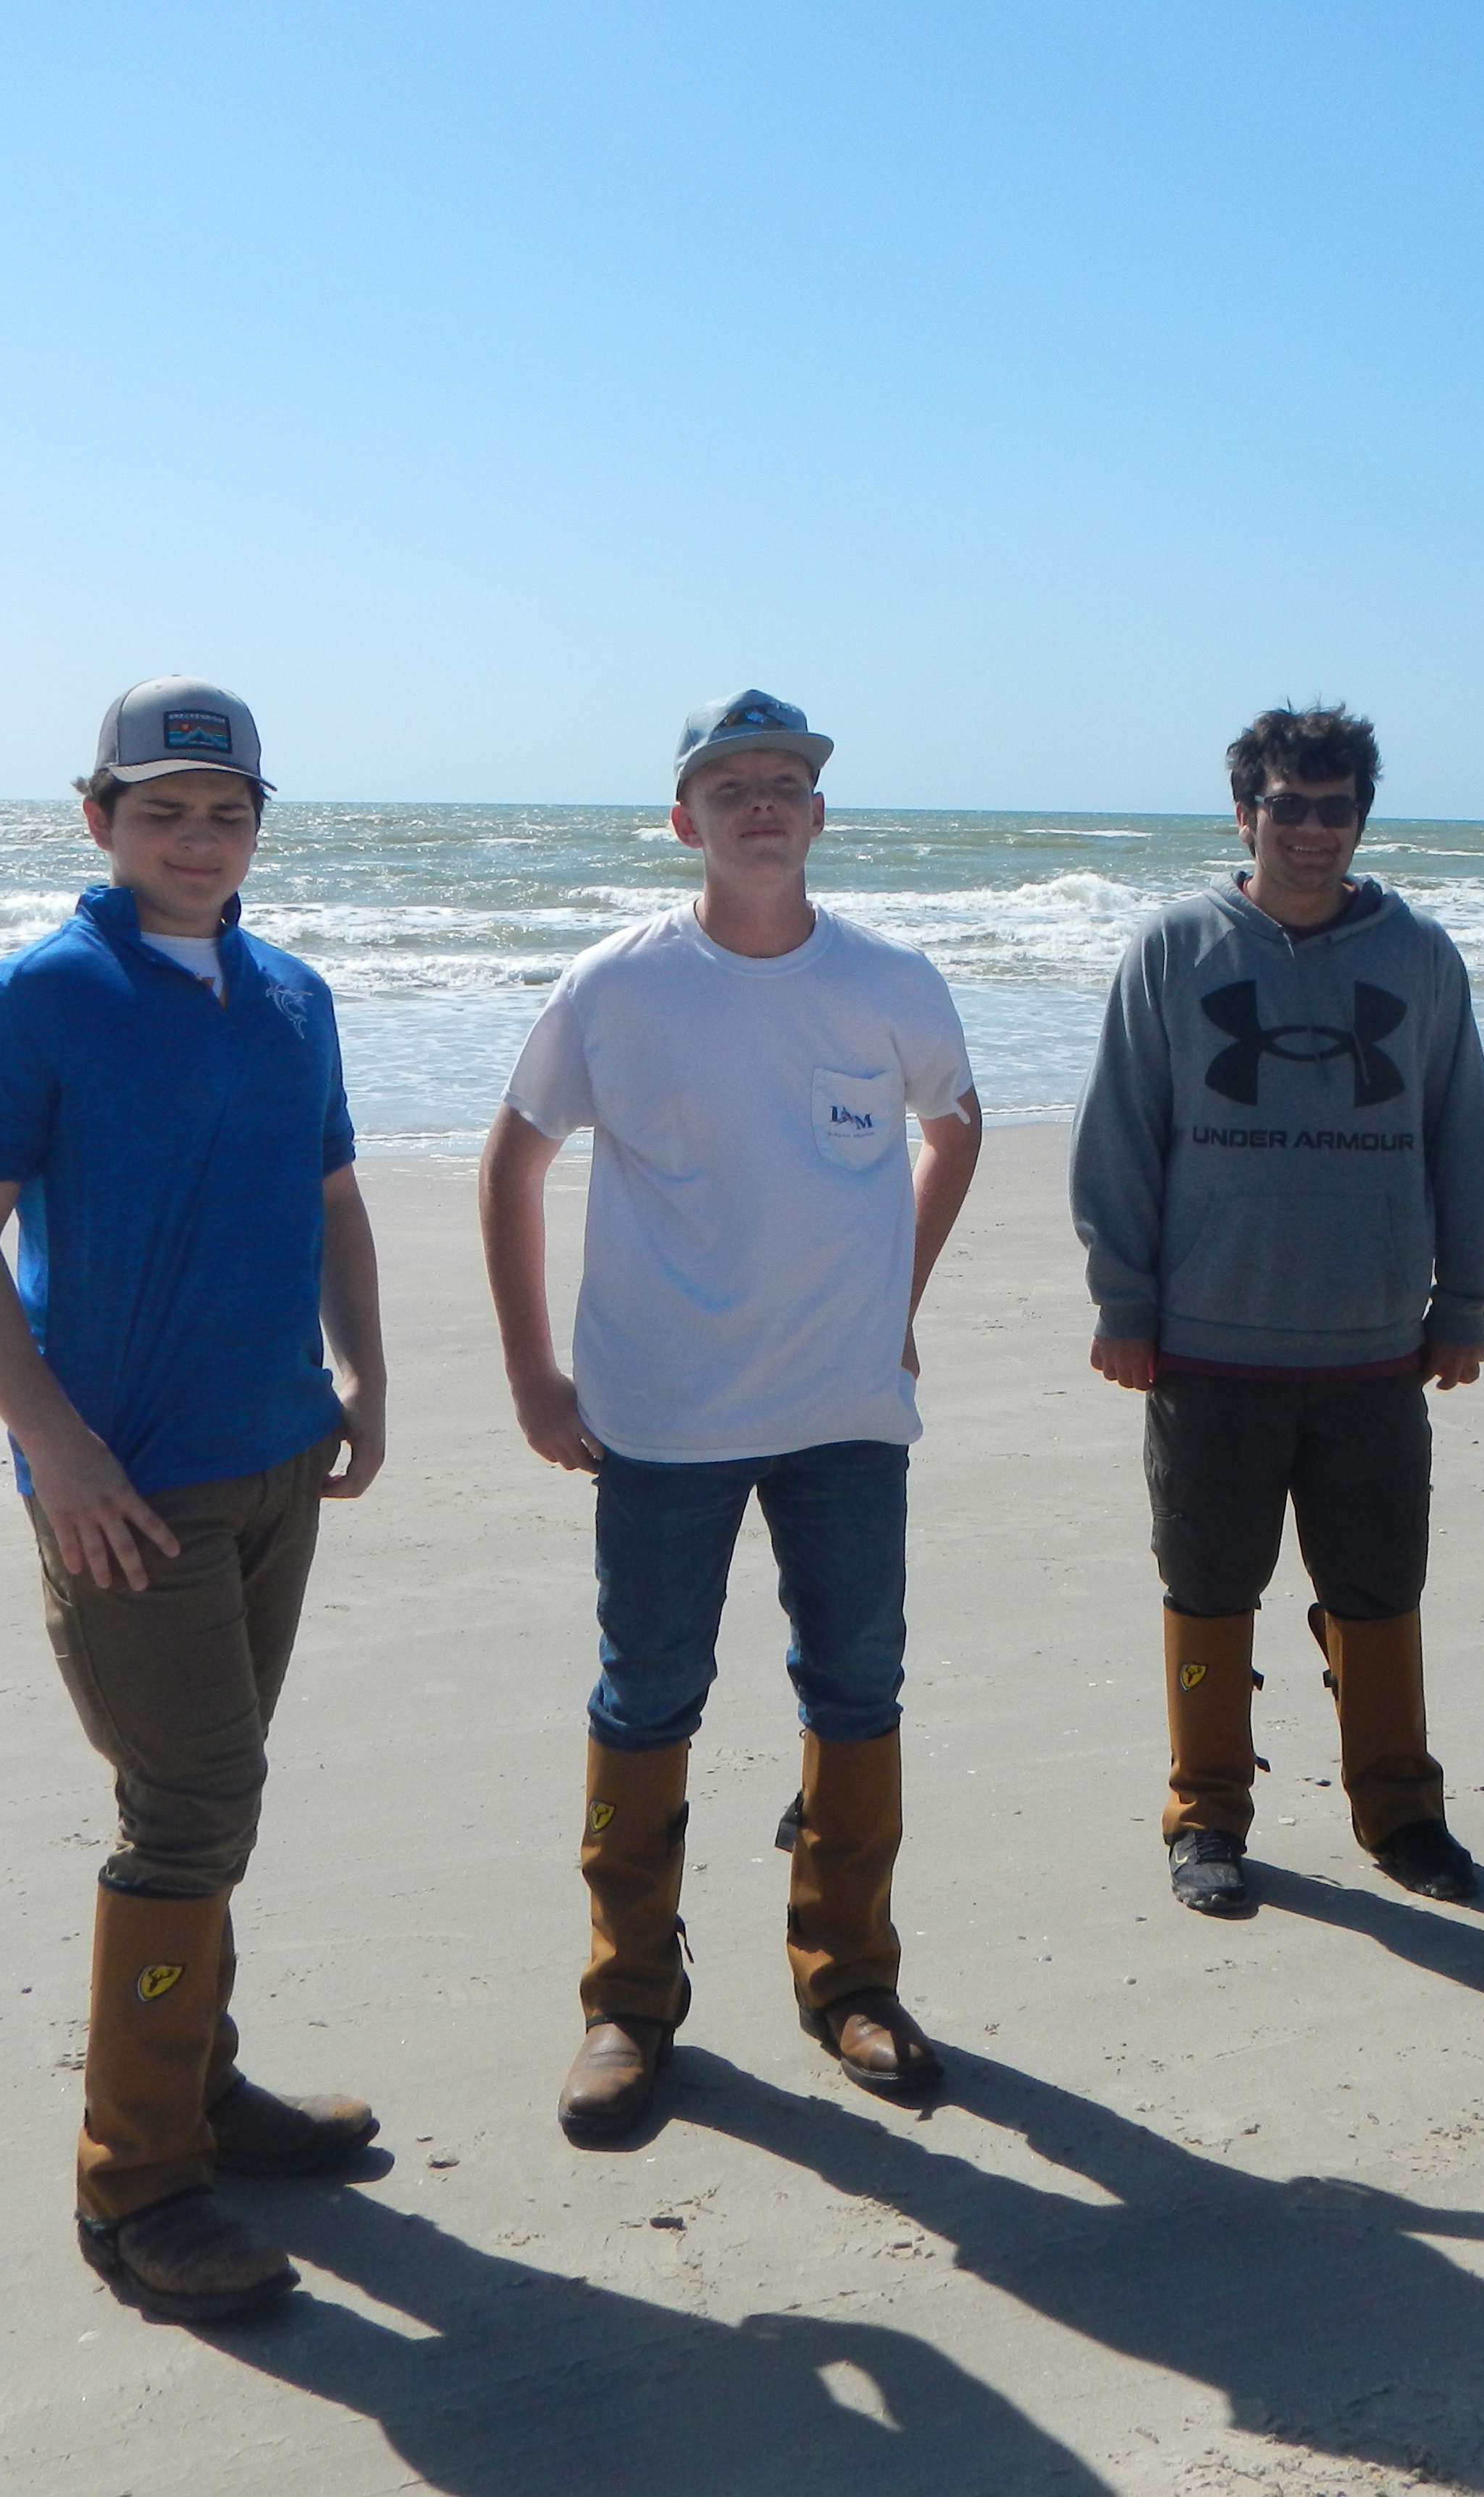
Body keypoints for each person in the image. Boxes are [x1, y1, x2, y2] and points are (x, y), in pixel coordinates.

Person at [0, 678, 388, 2324]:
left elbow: (335, 1195)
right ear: (97, 816)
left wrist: (365, 1375)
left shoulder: (293, 997)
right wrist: (63, 1455)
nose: (196, 838)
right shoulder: (39, 998)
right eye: (162, 809)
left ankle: (202, 2090)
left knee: (223, 1794)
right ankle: (140, 2181)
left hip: (277, 1457)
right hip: (125, 1488)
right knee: (185, 1809)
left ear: (261, 826)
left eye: (227, 812)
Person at [483, 691, 983, 2142]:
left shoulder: (892, 979)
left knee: (857, 1686)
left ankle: (851, 1981)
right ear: (682, 818)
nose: (761, 803)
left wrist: (901, 1295)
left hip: (845, 1409)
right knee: (645, 1694)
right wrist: (531, 1371)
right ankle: (626, 2002)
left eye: (786, 783)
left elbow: (955, 1126)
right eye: (730, 784)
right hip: (657, 1413)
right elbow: (512, 1163)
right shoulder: (616, 987)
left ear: (819, 817)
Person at [1071, 704, 1484, 1918]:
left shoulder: (1417, 956)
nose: (1311, 831)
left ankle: (1401, 1810)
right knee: (1207, 1583)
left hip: (1375, 1347)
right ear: (1244, 812)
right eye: (1286, 806)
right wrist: (1125, 1299)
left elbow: (1461, 1135)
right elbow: (1120, 1137)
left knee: (1379, 1587)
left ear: (1361, 816)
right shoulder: (1173, 949)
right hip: (1208, 1344)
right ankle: (1206, 1809)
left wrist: (1462, 1299)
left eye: (1335, 808)